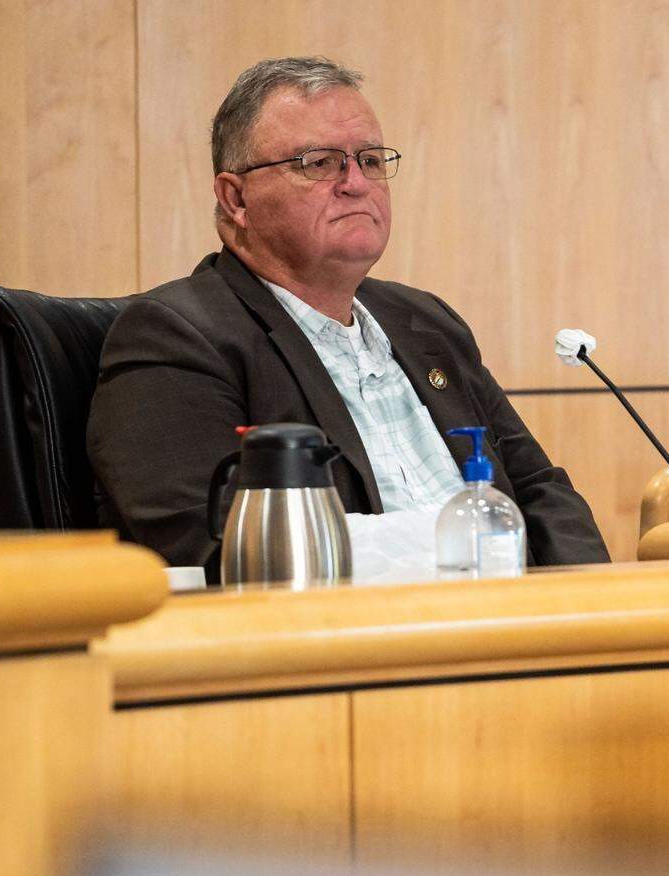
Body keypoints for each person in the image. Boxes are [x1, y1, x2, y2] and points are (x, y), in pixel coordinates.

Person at [87, 56, 609, 578]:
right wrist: (456, 548)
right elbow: (220, 550)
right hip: (353, 645)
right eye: (319, 163)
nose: (356, 183)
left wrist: (594, 608)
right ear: (236, 198)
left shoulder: (426, 322)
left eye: (371, 160)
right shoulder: (176, 336)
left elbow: (541, 492)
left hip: (521, 627)